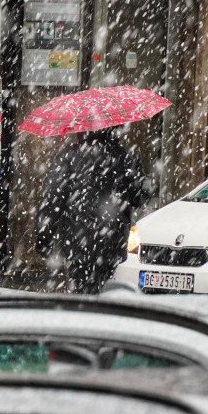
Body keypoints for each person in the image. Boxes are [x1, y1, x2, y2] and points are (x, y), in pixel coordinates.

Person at [35, 126, 151, 294]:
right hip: (112, 239)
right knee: (104, 289)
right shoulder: (124, 156)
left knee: (82, 290)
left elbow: (53, 198)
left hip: (77, 240)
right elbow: (139, 198)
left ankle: (87, 305)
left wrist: (44, 237)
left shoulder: (68, 156)